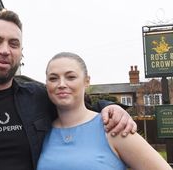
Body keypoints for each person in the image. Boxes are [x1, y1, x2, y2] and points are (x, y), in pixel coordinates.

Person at [0, 10, 137, 170]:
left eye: (13, 44)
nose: (5, 50)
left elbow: (83, 108)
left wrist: (113, 108)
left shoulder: (39, 97)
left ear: (21, 52)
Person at [37, 52, 171, 170]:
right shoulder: (40, 133)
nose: (61, 84)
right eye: (53, 78)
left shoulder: (114, 126)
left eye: (71, 77)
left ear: (87, 81)